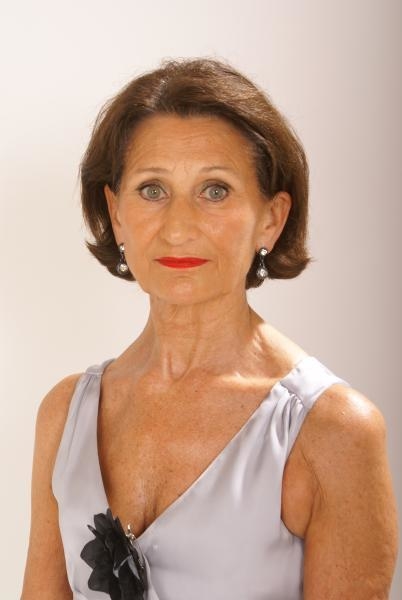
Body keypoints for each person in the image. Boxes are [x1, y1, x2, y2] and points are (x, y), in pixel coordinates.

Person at [21, 57, 398, 600]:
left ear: (271, 218)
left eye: (215, 190)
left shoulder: (332, 431)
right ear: (116, 213)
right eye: (152, 189)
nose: (178, 227)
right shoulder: (65, 415)